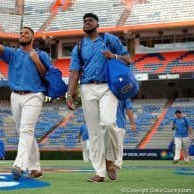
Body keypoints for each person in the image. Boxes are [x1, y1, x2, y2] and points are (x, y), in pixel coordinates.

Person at [66, 13, 131, 182]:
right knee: (94, 133)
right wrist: (69, 94)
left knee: (109, 123)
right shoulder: (79, 46)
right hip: (87, 88)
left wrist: (114, 56)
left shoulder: (110, 40)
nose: (87, 23)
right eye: (85, 21)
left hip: (108, 86)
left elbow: (128, 59)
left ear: (97, 23)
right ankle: (99, 172)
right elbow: (74, 73)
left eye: (90, 20)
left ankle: (112, 161)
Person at [0, 13, 50, 180]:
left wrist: (36, 60)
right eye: (21, 33)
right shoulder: (13, 54)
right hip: (15, 96)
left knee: (26, 130)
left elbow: (47, 76)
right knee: (24, 132)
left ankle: (19, 165)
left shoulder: (41, 55)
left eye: (26, 33)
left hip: (34, 95)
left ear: (32, 37)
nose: (22, 35)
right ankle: (35, 167)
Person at [114, 99, 136, 169]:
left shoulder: (106, 92)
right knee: (119, 145)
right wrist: (132, 123)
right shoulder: (125, 94)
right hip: (119, 124)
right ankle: (117, 163)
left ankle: (116, 164)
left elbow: (128, 109)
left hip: (117, 123)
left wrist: (132, 123)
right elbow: (128, 109)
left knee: (117, 145)